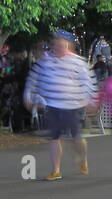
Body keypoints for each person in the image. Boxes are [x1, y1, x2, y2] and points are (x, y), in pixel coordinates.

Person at [23, 29, 97, 180]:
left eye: (61, 44)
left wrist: (91, 99)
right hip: (52, 105)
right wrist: (28, 97)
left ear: (68, 45)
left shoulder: (78, 62)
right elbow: (33, 79)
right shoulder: (45, 61)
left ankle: (82, 158)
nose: (58, 46)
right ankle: (56, 170)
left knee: (76, 137)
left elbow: (88, 81)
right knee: (54, 137)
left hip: (73, 105)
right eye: (55, 43)